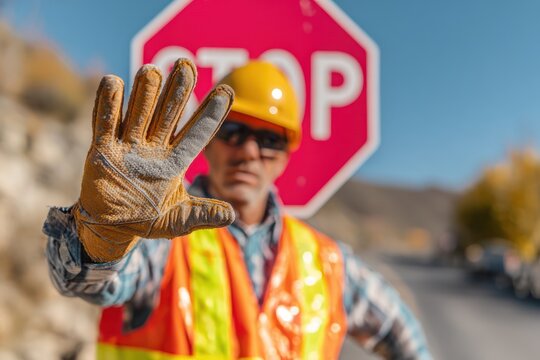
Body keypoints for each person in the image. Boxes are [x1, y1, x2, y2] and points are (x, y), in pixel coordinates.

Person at [44, 58, 431, 359]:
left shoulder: (327, 263)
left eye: (267, 139)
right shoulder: (155, 238)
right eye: (232, 132)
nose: (248, 152)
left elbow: (406, 339)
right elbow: (82, 283)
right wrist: (102, 239)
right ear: (205, 142)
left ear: (284, 157)